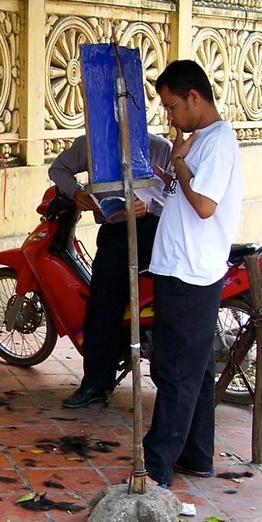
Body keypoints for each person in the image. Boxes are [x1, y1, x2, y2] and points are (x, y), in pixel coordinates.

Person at [142, 59, 242, 488]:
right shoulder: (202, 141)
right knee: (195, 371)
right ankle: (196, 455)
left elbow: (204, 205)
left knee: (176, 372)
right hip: (182, 267)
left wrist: (180, 164)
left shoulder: (216, 142)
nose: (170, 117)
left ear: (194, 97)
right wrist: (173, 170)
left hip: (191, 272)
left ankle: (155, 467)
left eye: (171, 106)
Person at [50, 132, 172, 408]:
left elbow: (176, 195)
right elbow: (58, 169)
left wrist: (149, 204)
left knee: (169, 301)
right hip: (115, 232)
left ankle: (169, 383)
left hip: (155, 231)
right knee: (103, 304)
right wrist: (76, 191)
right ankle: (96, 383)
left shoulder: (160, 147)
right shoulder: (93, 143)